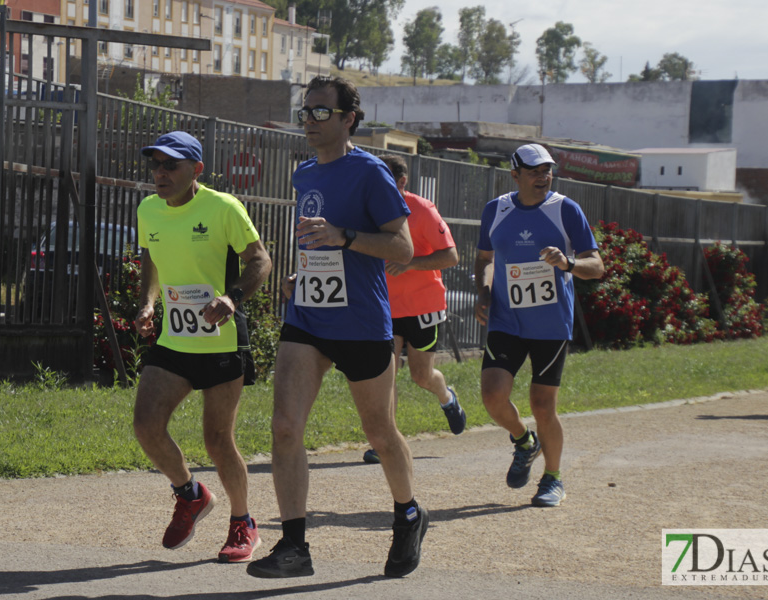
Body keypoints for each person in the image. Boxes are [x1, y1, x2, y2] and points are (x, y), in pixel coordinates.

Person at [247, 76, 427, 580]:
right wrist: (301, 275)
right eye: (306, 111)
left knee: (381, 433)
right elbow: (314, 241)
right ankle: (294, 547)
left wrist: (345, 237)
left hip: (362, 323)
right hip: (307, 316)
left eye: (321, 112)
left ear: (349, 119)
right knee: (285, 428)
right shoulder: (304, 174)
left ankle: (409, 514)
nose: (309, 119)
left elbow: (403, 249)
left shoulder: (371, 173)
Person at [132, 131, 272, 563]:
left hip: (222, 339)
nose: (160, 173)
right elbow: (151, 258)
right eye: (155, 164)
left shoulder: (223, 207)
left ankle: (244, 522)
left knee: (217, 440)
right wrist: (148, 303)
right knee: (146, 426)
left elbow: (260, 259)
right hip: (175, 338)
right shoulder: (149, 209)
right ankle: (190, 494)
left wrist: (231, 298)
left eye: (170, 165)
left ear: (196, 170)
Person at [473, 143, 605, 508]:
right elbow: (484, 258)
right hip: (506, 319)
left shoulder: (565, 209)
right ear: (515, 175)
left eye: (547, 170)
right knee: (492, 395)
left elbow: (597, 266)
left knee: (542, 405)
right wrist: (483, 292)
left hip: (550, 324)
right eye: (533, 171)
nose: (542, 177)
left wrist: (568, 263)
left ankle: (553, 478)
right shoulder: (495, 210)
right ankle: (524, 441)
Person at [361, 154, 466, 465]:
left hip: (423, 304)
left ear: (402, 182)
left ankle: (447, 397)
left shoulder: (423, 209)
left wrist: (410, 264)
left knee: (421, 375)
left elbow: (451, 256)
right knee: (386, 375)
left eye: (383, 181)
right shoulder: (368, 210)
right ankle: (385, 440)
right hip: (385, 306)